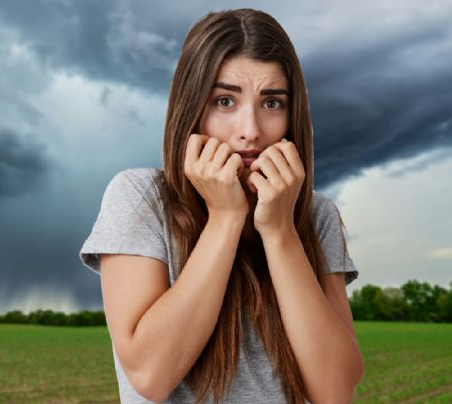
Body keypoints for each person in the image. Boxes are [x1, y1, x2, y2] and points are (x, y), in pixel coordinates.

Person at [79, 8, 364, 404]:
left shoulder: (318, 215)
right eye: (225, 101)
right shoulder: (140, 197)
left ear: (291, 115)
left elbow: (335, 392)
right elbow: (150, 374)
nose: (250, 131)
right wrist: (226, 218)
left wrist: (280, 232)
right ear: (191, 110)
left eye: (272, 104)